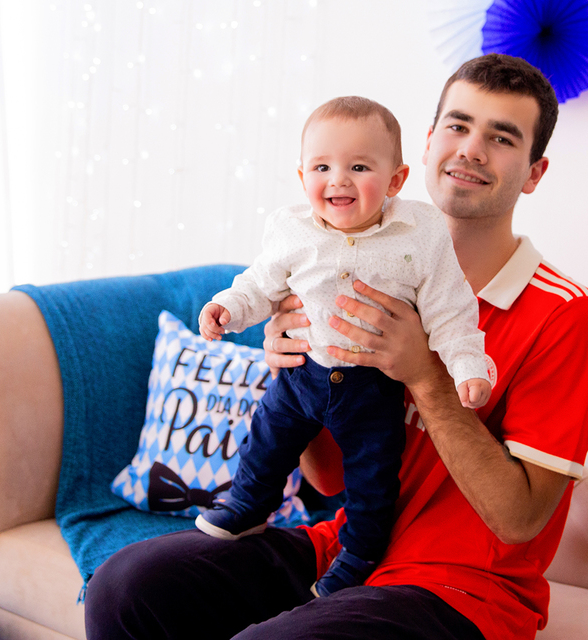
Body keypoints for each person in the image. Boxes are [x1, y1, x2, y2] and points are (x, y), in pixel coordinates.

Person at [84, 54, 588, 640]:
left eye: (501, 137)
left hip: (464, 592)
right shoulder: (358, 268)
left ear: (534, 173)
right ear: (431, 142)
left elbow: (519, 520)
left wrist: (423, 373)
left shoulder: (566, 315)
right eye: (458, 127)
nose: (471, 150)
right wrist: (296, 365)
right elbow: (329, 479)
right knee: (125, 587)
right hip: (346, 548)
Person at [195, 96, 492, 596]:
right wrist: (228, 307)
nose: (338, 179)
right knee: (266, 439)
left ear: (396, 180)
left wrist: (467, 365)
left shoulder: (419, 234)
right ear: (302, 175)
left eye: (359, 167)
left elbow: (449, 307)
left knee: (372, 476)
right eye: (322, 166)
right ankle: (247, 505)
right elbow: (260, 284)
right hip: (302, 376)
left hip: (370, 385)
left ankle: (359, 553)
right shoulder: (291, 229)